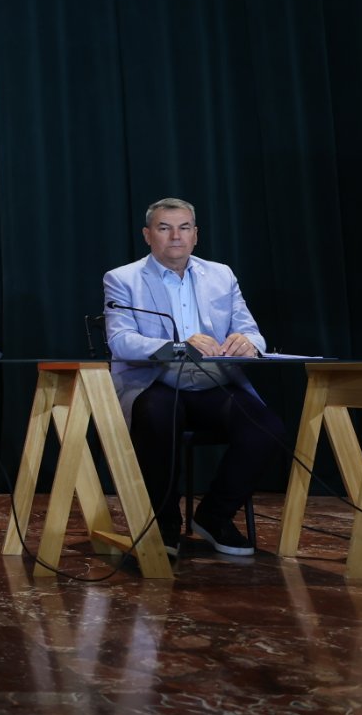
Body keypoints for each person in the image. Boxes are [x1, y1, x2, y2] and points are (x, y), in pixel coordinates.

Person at [104, 197, 285, 558]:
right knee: (158, 415)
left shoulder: (221, 275)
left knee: (267, 428)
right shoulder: (122, 278)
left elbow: (253, 332)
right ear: (148, 235)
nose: (176, 236)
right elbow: (121, 341)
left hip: (211, 383)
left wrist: (248, 343)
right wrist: (177, 346)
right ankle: (164, 522)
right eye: (165, 228)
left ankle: (214, 516)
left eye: (184, 227)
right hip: (154, 382)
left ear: (195, 235)